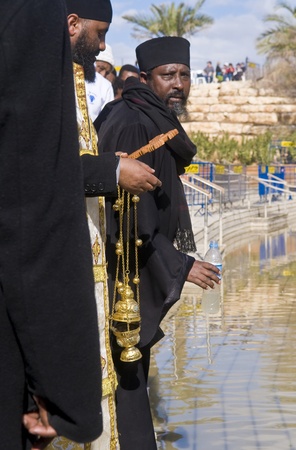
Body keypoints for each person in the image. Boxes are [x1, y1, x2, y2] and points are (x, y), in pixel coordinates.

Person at [45, 1, 162, 449]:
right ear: (72, 24)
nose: (105, 44)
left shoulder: (73, 77)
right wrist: (111, 174)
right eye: (100, 31)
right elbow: (37, 169)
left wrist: (104, 164)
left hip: (85, 259)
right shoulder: (36, 79)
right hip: (55, 262)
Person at [96, 36, 221, 450]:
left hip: (140, 264)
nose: (179, 83)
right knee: (124, 370)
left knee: (132, 372)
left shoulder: (156, 119)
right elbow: (125, 214)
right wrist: (181, 264)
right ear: (146, 77)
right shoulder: (133, 120)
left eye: (184, 75)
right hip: (121, 272)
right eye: (168, 75)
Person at [0, 0, 104, 448]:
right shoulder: (28, 13)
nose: (102, 46)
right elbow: (32, 209)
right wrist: (68, 398)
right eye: (98, 33)